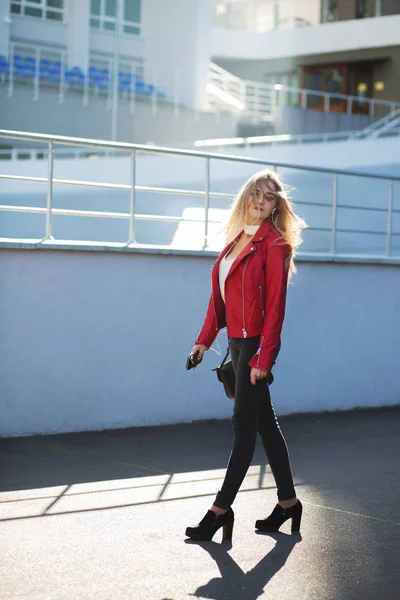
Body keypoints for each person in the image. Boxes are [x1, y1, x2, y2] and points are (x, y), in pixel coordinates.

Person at [185, 169, 307, 542]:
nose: (260, 200)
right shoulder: (238, 239)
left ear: (275, 206)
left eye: (269, 197)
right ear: (246, 196)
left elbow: (276, 307)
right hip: (238, 345)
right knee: (265, 425)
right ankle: (288, 504)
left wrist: (263, 359)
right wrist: (204, 340)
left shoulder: (275, 244)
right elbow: (219, 298)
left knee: (243, 426)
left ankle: (219, 511)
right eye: (256, 192)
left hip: (256, 345)